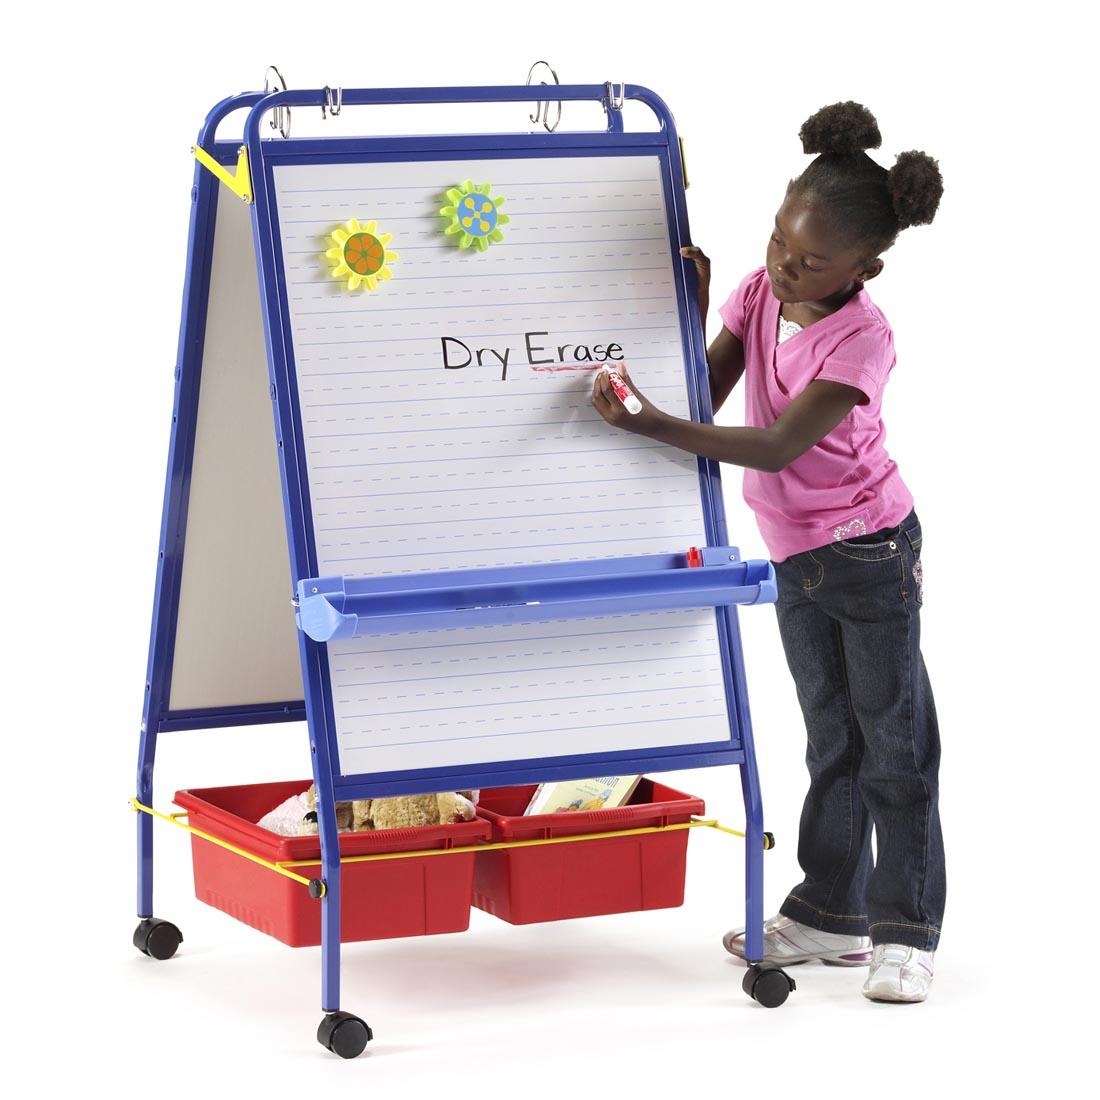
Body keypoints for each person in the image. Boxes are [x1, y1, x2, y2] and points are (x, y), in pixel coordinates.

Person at [590, 101, 944, 1004]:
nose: (787, 267)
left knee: (892, 747)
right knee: (833, 738)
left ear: (866, 266)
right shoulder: (759, 291)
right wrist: (693, 309)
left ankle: (909, 931)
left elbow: (779, 443)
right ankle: (832, 910)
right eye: (780, 242)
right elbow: (713, 384)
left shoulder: (862, 337)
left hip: (868, 556)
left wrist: (655, 427)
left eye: (812, 260)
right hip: (797, 555)